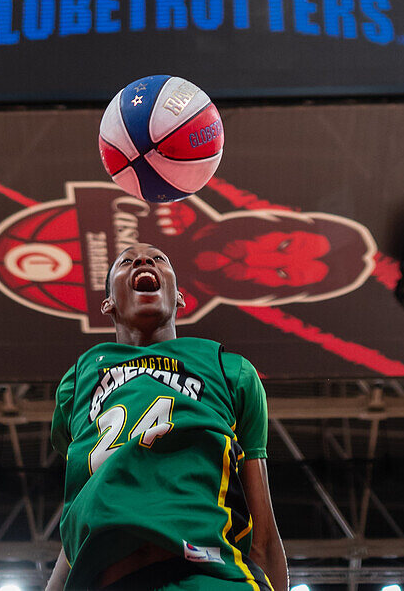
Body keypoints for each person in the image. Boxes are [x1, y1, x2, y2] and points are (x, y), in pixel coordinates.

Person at [46, 242, 289, 590]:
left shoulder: (230, 371)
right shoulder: (77, 382)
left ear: (179, 298)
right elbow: (80, 512)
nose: (144, 261)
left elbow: (263, 533)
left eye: (159, 259)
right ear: (108, 303)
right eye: (126, 262)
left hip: (211, 576)